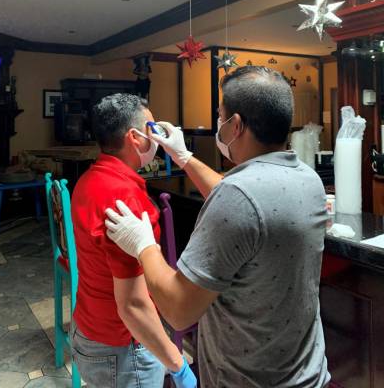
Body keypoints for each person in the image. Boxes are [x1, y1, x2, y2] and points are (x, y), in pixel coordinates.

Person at [105, 66, 331, 387]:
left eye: (220, 116)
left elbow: (179, 310)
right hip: (307, 374)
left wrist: (144, 245)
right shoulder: (307, 178)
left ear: (236, 125)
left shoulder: (238, 197)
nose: (219, 125)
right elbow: (244, 202)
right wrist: (183, 156)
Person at [70, 93, 196, 388]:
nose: (158, 137)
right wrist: (177, 365)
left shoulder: (90, 179)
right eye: (152, 129)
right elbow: (133, 305)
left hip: (89, 327)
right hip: (121, 345)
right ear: (136, 138)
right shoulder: (125, 199)